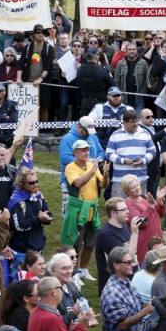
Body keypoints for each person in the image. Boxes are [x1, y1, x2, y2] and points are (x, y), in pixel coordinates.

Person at [62, 139, 109, 280]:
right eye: (83, 150)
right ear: (75, 153)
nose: (86, 152)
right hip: (77, 210)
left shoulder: (91, 166)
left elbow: (103, 185)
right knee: (75, 244)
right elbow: (77, 183)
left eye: (87, 150)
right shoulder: (70, 167)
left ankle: (83, 269)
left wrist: (105, 174)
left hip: (91, 210)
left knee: (90, 243)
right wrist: (94, 170)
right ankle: (72, 272)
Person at [100, 246, 154, 331]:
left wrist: (153, 304)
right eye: (128, 262)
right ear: (116, 265)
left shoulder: (127, 282)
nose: (133, 265)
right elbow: (123, 324)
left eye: (132, 261)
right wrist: (146, 311)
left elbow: (138, 305)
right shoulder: (112, 293)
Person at [28, 276, 95, 331]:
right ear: (54, 292)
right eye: (61, 288)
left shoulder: (35, 311)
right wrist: (82, 325)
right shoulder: (52, 319)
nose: (62, 291)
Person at [59, 116, 104, 217]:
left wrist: (99, 159)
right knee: (70, 212)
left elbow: (101, 151)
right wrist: (87, 161)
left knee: (88, 211)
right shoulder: (67, 139)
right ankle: (69, 231)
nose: (88, 134)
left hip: (91, 180)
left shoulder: (92, 136)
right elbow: (64, 158)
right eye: (86, 131)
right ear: (79, 127)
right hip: (71, 181)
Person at [105, 109, 156, 198]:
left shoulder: (145, 133)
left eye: (137, 121)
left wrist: (144, 160)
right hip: (120, 181)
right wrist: (122, 160)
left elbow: (152, 151)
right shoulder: (115, 135)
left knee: (140, 208)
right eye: (132, 122)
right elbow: (108, 153)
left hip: (140, 180)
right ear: (124, 122)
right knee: (119, 207)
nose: (136, 124)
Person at [95, 197, 140, 295]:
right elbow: (128, 258)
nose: (128, 212)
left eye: (127, 208)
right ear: (113, 213)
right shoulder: (106, 234)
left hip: (128, 281)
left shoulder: (124, 226)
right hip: (115, 288)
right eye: (123, 210)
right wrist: (135, 233)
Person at [122, 174, 166, 264]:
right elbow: (141, 223)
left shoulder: (145, 197)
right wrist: (150, 206)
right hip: (145, 243)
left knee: (161, 264)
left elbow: (161, 213)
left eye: (137, 185)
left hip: (158, 238)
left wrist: (160, 200)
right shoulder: (128, 204)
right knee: (149, 265)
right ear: (127, 191)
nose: (137, 188)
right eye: (133, 187)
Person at [8, 168, 53, 254]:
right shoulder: (16, 201)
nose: (35, 185)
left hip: (38, 248)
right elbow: (19, 227)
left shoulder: (39, 197)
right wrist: (38, 219)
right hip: (22, 251)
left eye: (36, 181)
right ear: (22, 184)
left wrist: (48, 219)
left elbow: (49, 215)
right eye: (31, 183)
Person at [76, 47, 115, 116]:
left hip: (85, 101)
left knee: (85, 124)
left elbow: (79, 84)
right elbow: (112, 84)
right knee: (100, 125)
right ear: (97, 57)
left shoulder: (80, 70)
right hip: (100, 102)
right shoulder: (102, 70)